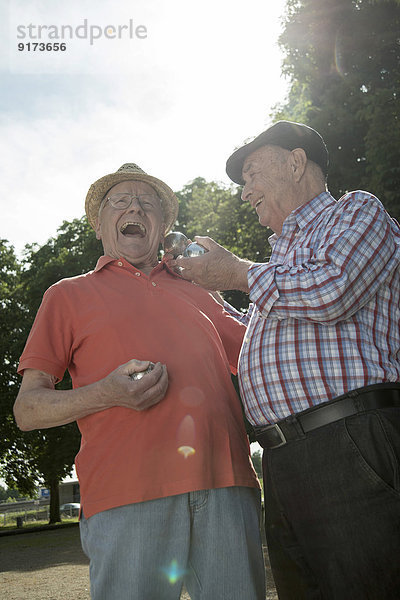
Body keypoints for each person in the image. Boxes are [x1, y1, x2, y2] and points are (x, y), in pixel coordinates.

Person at [14, 163, 266, 600]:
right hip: (125, 495)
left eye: (148, 204)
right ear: (99, 223)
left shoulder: (203, 288)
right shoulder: (67, 295)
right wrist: (105, 393)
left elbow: (261, 355)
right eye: (121, 201)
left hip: (226, 485)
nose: (135, 207)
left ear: (163, 226)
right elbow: (27, 410)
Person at [172, 121, 400, 599]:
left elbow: (333, 291)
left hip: (349, 441)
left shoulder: (356, 212)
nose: (244, 193)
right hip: (280, 459)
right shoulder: (276, 264)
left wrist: (235, 271)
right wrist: (200, 291)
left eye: (252, 174)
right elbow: (250, 336)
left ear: (296, 163)